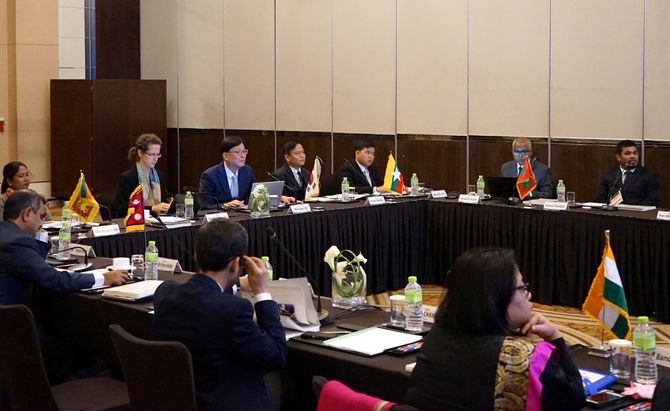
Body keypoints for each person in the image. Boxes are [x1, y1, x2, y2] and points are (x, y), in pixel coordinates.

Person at [404, 247, 585, 411]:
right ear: (497, 297)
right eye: (522, 288)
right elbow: (574, 399)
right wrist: (554, 336)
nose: (529, 294)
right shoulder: (525, 356)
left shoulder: (438, 335)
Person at [152, 218, 287, 411]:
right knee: (283, 380)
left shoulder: (165, 293)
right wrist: (262, 293)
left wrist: (236, 284)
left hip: (178, 399)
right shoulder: (235, 310)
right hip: (223, 403)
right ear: (235, 263)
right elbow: (277, 355)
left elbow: (203, 297)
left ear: (196, 256)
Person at [0, 190, 128, 383]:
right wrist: (104, 278)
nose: (44, 223)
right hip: (15, 331)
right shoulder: (17, 242)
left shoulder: (6, 233)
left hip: (10, 321)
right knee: (85, 346)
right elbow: (53, 280)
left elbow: (35, 266)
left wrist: (40, 238)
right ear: (27, 214)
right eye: (42, 216)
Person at [115, 133, 170, 218]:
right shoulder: (127, 178)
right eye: (152, 154)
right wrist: (152, 209)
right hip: (136, 223)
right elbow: (122, 210)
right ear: (140, 153)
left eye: (158, 154)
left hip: (158, 221)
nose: (155, 159)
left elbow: (162, 202)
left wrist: (168, 206)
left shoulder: (160, 176)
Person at [595, 139, 661, 206]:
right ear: (618, 157)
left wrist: (633, 209)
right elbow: (600, 198)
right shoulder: (609, 175)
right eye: (627, 153)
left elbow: (653, 200)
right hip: (613, 211)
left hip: (637, 211)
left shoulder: (649, 175)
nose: (633, 156)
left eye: (635, 153)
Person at [200, 136, 257, 209]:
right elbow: (204, 206)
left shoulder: (246, 171)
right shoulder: (210, 175)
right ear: (226, 156)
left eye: (244, 151)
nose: (243, 156)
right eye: (237, 152)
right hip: (220, 215)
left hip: (240, 214)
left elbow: (257, 194)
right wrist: (225, 205)